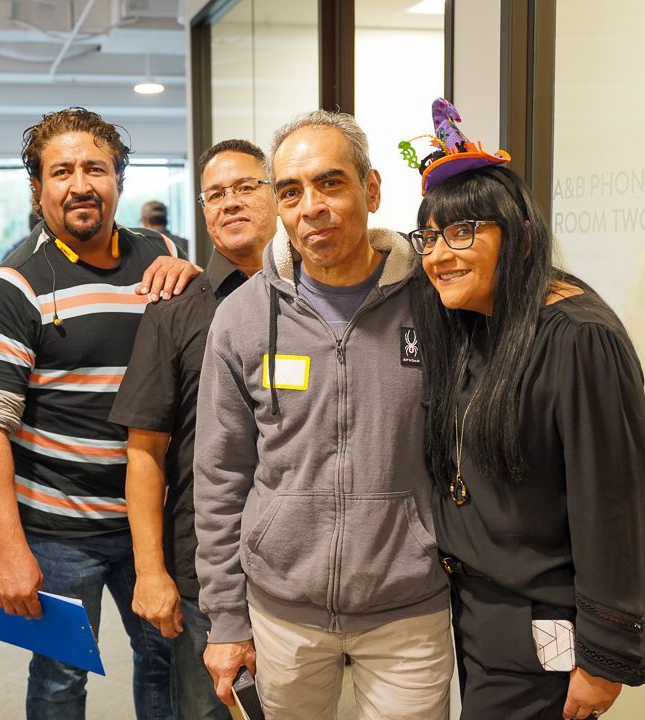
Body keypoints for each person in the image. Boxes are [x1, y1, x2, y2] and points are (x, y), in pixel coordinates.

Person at [402, 98, 645, 719]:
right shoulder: (473, 322)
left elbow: (613, 505)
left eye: (463, 232)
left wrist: (605, 657)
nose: (439, 255)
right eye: (429, 237)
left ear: (517, 236)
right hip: (474, 611)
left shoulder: (578, 337)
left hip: (545, 626)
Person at [194, 110, 454, 719]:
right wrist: (226, 618)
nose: (311, 207)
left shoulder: (436, 303)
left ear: (371, 189)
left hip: (408, 609)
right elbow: (220, 477)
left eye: (330, 183)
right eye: (291, 192)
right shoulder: (242, 318)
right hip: (282, 610)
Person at [0, 106, 200, 720]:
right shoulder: (10, 288)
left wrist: (193, 273)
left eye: (96, 168)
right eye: (61, 171)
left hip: (154, 522)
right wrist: (11, 549)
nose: (80, 184)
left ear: (119, 179)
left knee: (168, 660)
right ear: (37, 187)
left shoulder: (163, 255)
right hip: (58, 530)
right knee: (59, 679)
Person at [109, 139, 277, 719]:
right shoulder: (176, 308)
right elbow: (144, 450)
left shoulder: (319, 301)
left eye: (245, 187)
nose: (229, 202)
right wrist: (150, 570)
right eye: (215, 194)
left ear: (277, 195)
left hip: (301, 572)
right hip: (205, 568)